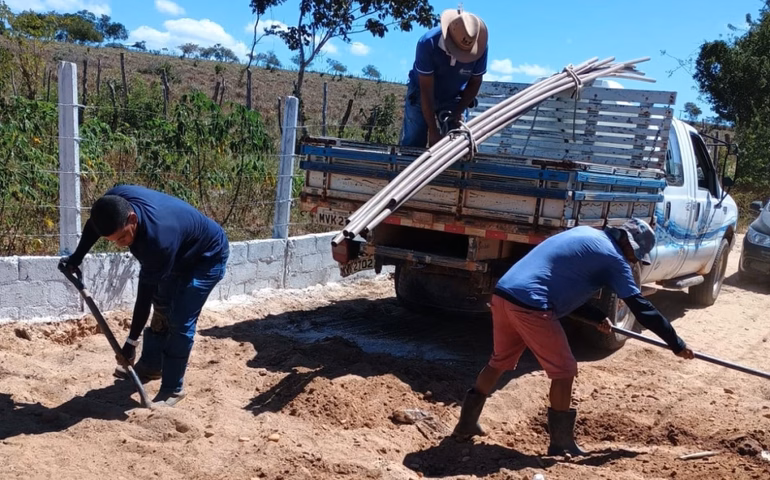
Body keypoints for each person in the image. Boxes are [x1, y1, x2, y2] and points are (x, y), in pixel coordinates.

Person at [451, 218, 695, 456]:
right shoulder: (614, 259)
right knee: (565, 370)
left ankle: (466, 424)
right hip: (532, 305)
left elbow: (560, 284)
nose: (633, 261)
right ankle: (561, 443)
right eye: (635, 255)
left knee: (499, 361)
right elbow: (641, 308)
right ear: (628, 244)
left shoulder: (585, 234)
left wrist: (596, 316)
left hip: (504, 294)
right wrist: (676, 343)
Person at [59, 185, 229, 407]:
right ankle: (151, 366)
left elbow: (144, 296)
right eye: (112, 240)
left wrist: (131, 342)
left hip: (206, 258)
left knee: (179, 319)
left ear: (132, 218)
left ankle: (172, 389)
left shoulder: (158, 240)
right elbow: (94, 226)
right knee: (162, 306)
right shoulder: (115, 200)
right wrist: (76, 258)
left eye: (122, 237)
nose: (119, 244)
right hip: (178, 251)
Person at [400, 6, 488, 148]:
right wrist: (433, 132)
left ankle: (452, 170)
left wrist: (458, 112)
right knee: (414, 139)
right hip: (422, 92)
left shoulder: (480, 48)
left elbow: (475, 82)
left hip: (454, 95)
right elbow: (426, 91)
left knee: (457, 141)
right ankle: (409, 165)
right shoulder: (428, 43)